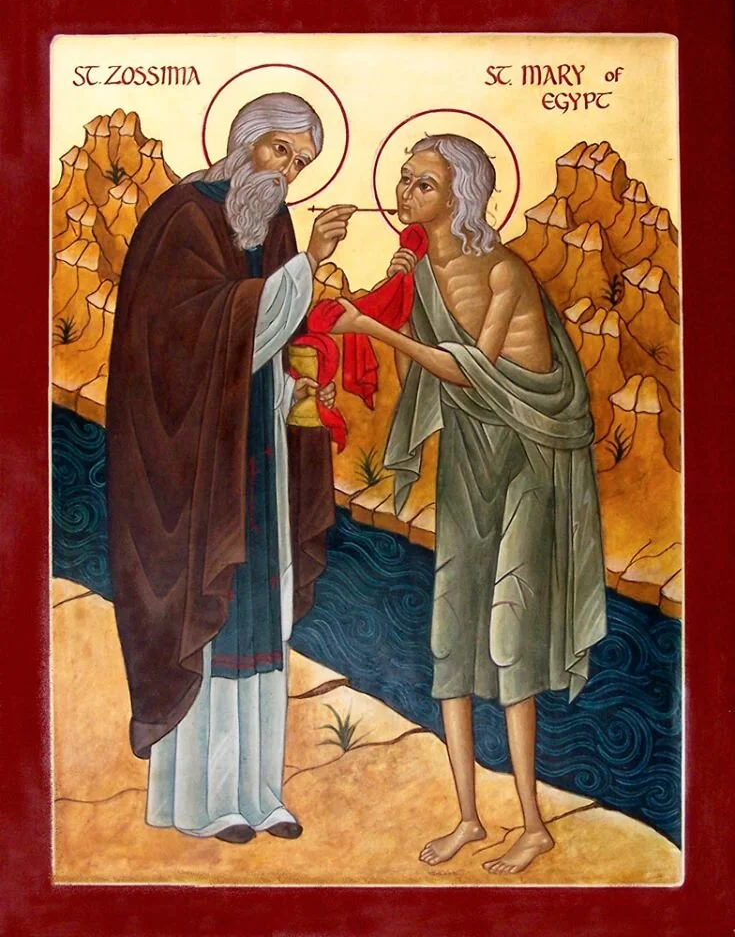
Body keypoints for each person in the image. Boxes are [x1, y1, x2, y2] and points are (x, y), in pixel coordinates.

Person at [331, 134, 606, 874]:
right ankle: (465, 817)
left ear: (462, 195)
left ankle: (532, 823)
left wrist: (375, 325)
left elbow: (467, 369)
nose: (405, 192)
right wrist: (398, 298)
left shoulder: (503, 270)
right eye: (405, 179)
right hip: (468, 460)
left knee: (509, 641)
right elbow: (428, 369)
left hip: (525, 460)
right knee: (452, 635)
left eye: (422, 183)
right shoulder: (426, 272)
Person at [106, 93, 356, 844]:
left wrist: (293, 382)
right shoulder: (181, 216)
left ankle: (258, 791)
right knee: (210, 617)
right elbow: (185, 340)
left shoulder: (271, 223)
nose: (286, 172)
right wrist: (305, 269)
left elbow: (267, 340)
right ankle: (203, 801)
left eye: (301, 162)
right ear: (245, 141)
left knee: (257, 617)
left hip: (255, 453)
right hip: (190, 466)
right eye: (279, 151)